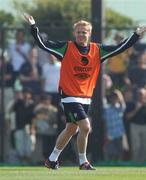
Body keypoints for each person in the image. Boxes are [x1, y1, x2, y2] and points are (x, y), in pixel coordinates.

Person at [24, 13, 146, 170]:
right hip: (69, 96)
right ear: (75, 33)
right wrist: (34, 27)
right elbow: (43, 44)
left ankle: (52, 159)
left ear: (89, 34)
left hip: (85, 97)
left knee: (71, 129)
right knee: (86, 126)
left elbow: (119, 48)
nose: (81, 34)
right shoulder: (66, 48)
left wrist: (136, 35)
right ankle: (83, 162)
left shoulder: (97, 50)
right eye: (79, 32)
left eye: (84, 32)